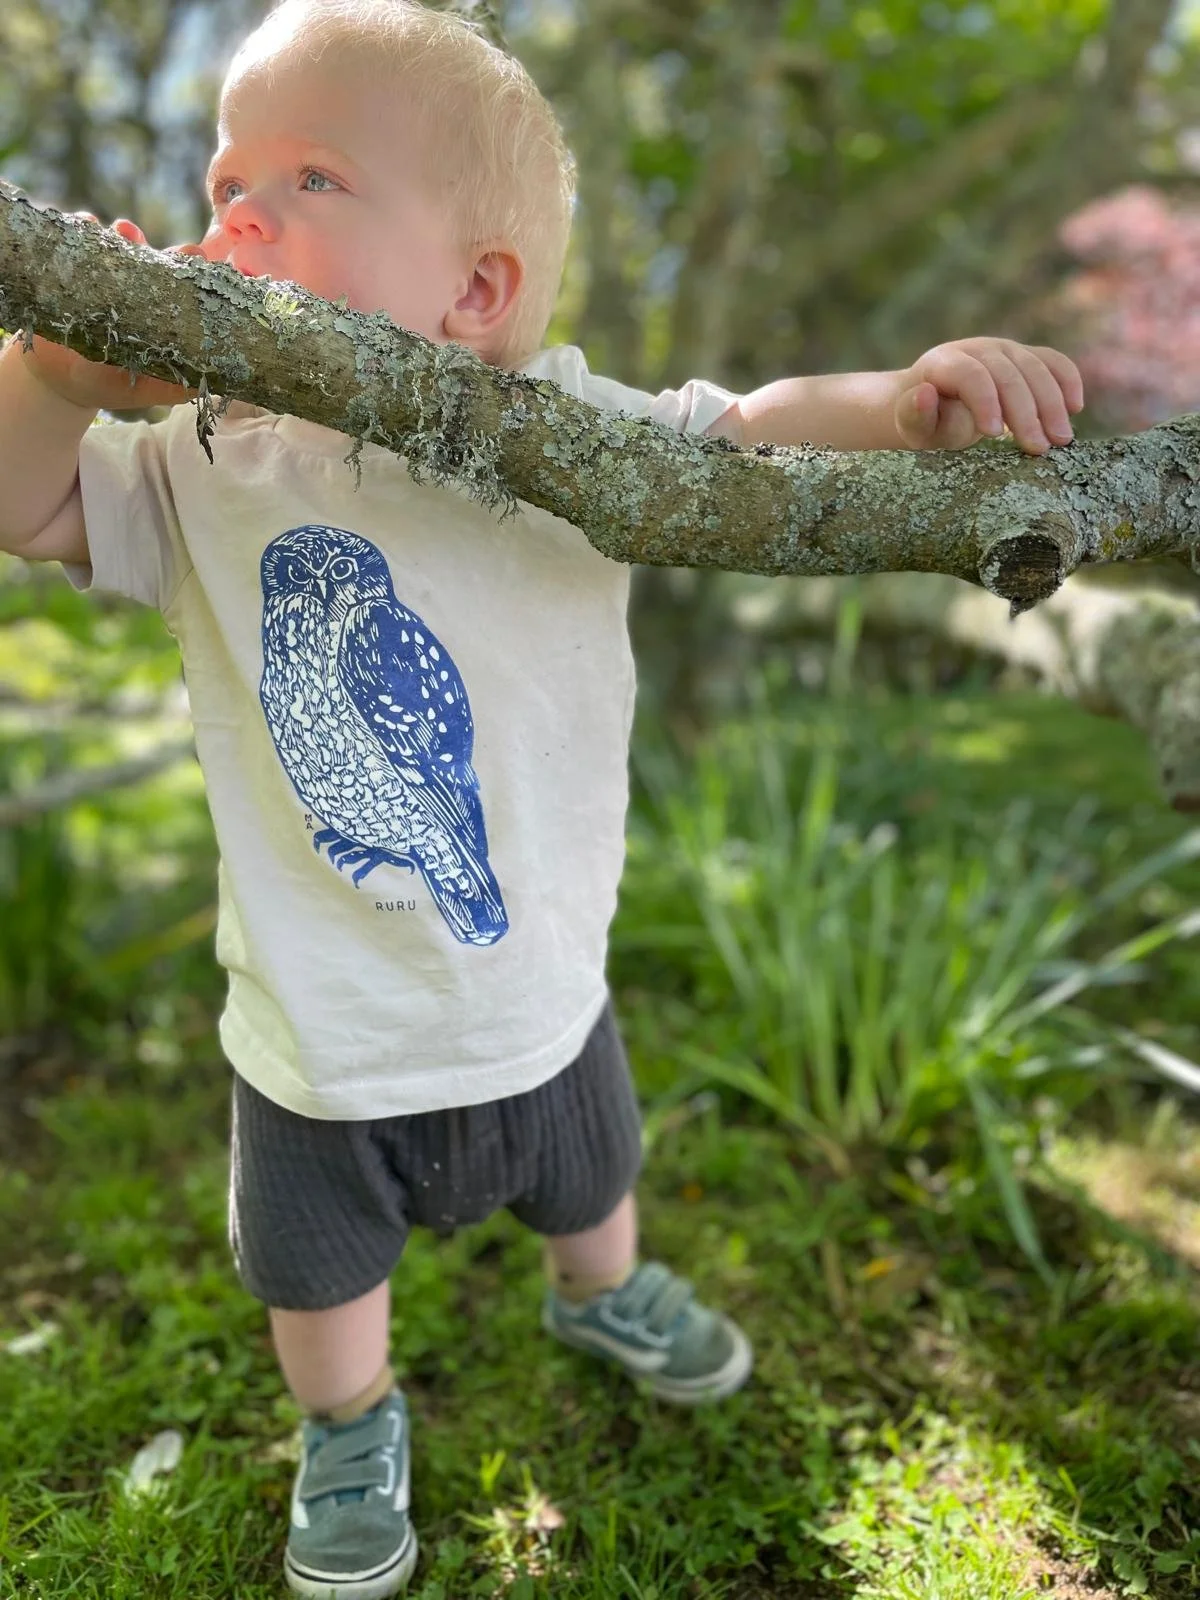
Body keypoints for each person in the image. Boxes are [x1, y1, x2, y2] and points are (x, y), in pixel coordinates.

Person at [0, 2, 1085, 1595]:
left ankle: (600, 1291)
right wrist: (54, 371)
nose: (239, 212)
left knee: (592, 1176)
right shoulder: (205, 464)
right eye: (227, 179)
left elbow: (740, 436)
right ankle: (348, 1424)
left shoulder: (558, 444)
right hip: (317, 1014)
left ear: (476, 291)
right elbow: (23, 504)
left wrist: (907, 403)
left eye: (311, 179)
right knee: (317, 1271)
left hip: (538, 977)